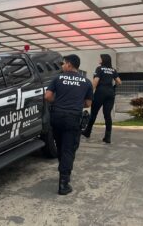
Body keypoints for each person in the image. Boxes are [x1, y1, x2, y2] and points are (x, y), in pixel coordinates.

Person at [44, 54, 93, 195]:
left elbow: (47, 96)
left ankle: (62, 171)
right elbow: (88, 104)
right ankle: (64, 184)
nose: (62, 66)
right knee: (69, 149)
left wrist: (58, 101)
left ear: (69, 65)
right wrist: (76, 103)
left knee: (60, 145)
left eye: (63, 63)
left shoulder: (58, 78)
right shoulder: (86, 82)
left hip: (57, 117)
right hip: (73, 118)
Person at [82, 54, 122, 143]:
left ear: (103, 59)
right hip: (110, 94)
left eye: (100, 58)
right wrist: (113, 88)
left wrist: (89, 92)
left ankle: (87, 132)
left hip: (100, 93)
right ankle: (107, 137)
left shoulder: (99, 69)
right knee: (107, 115)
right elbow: (119, 82)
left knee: (94, 113)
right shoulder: (113, 70)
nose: (99, 59)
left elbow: (96, 81)